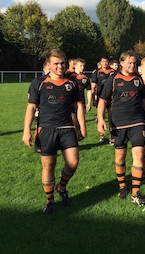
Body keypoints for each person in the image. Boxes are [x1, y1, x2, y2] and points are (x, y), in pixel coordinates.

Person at [22, 49, 86, 214]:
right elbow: (30, 108)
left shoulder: (72, 82)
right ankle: (50, 201)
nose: (60, 66)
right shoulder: (39, 83)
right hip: (46, 129)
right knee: (48, 165)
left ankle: (61, 187)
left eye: (62, 63)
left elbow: (78, 106)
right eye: (56, 63)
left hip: (67, 128)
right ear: (48, 65)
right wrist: (26, 131)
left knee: (73, 162)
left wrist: (82, 126)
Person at [97, 51, 145, 206]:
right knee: (120, 158)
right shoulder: (113, 79)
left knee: (138, 155)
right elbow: (102, 100)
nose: (132, 65)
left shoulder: (137, 79)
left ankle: (135, 193)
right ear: (121, 63)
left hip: (137, 123)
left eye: (134, 63)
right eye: (129, 63)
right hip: (119, 125)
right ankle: (122, 185)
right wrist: (100, 119)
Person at [91, 56, 114, 143]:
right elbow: (93, 85)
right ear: (100, 62)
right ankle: (102, 135)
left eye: (106, 61)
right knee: (101, 117)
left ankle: (112, 136)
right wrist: (94, 96)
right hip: (101, 98)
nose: (104, 63)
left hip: (111, 99)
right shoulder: (97, 72)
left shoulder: (112, 72)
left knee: (112, 118)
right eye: (103, 61)